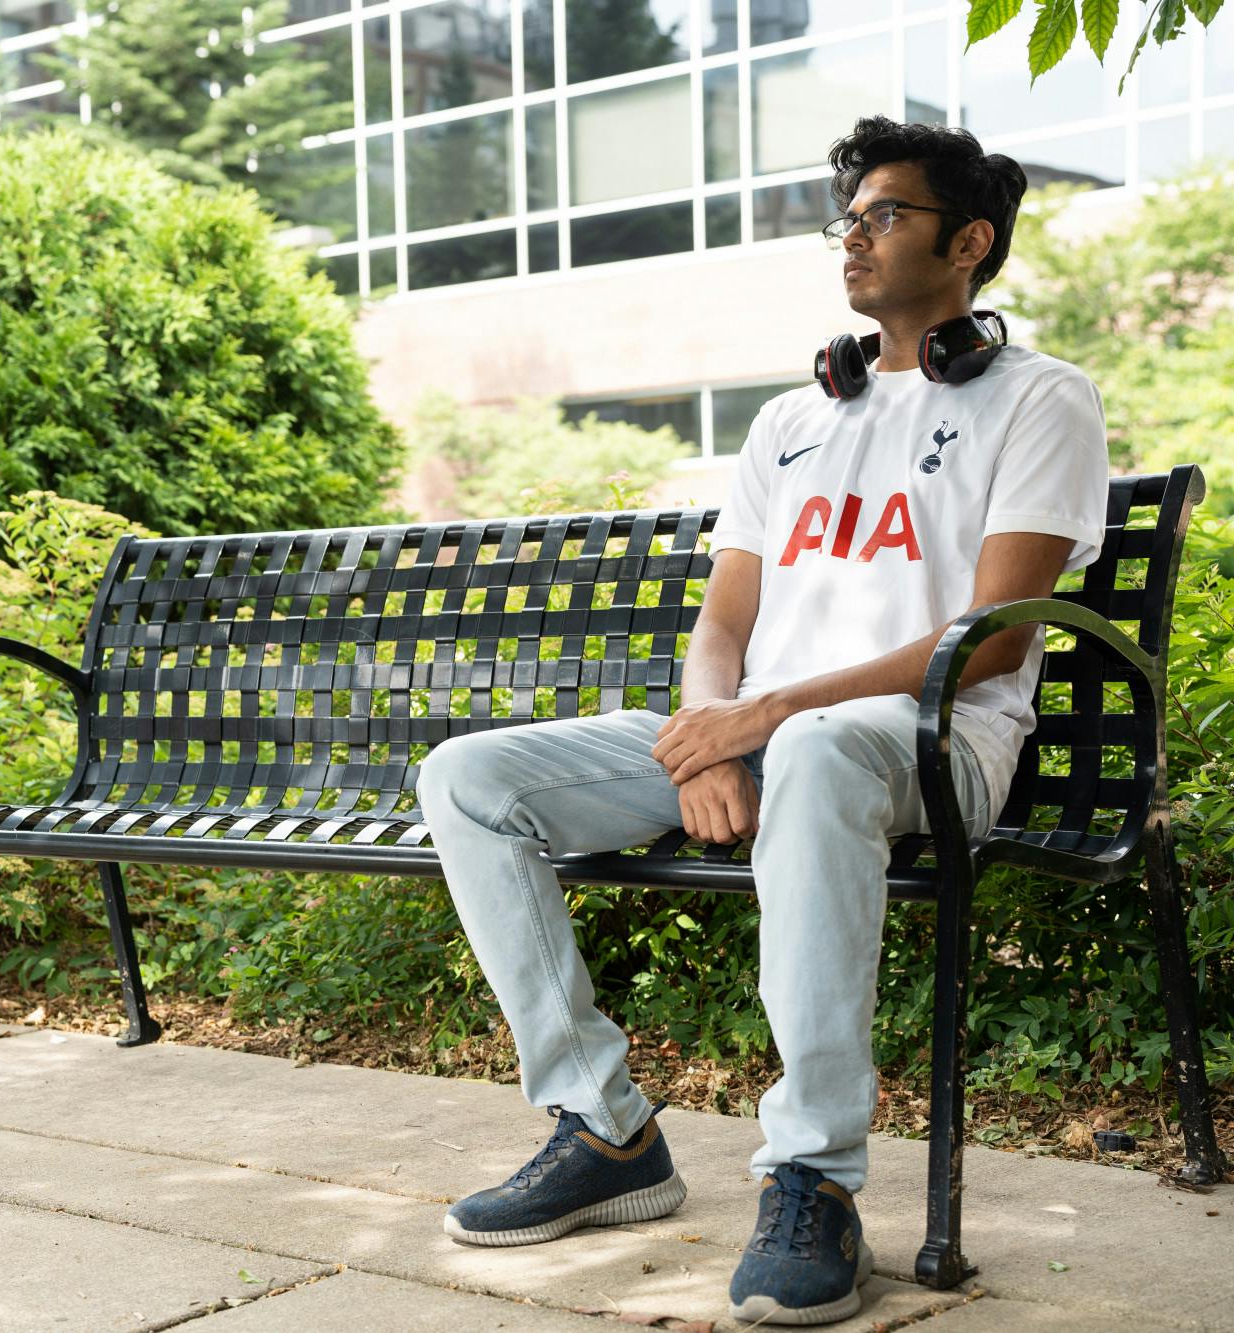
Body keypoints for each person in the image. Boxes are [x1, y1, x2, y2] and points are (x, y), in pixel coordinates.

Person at [415, 115, 1111, 1326]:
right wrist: (707, 727)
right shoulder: (791, 420)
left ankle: (811, 1178)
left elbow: (990, 636)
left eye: (882, 215)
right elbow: (720, 624)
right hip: (767, 730)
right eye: (843, 219)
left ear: (969, 243)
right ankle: (604, 1128)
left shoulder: (1040, 400)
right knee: (469, 775)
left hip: (930, 741)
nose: (851, 238)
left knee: (817, 740)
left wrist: (763, 719)